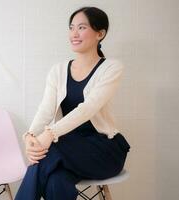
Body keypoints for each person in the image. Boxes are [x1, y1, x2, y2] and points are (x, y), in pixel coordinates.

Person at [15, 6, 130, 200]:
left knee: (48, 152)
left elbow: (88, 108)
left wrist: (49, 134)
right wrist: (30, 136)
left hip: (102, 151)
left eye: (82, 28)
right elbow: (46, 109)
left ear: (100, 34)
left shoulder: (111, 68)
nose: (74, 34)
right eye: (71, 27)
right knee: (56, 181)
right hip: (66, 149)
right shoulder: (58, 70)